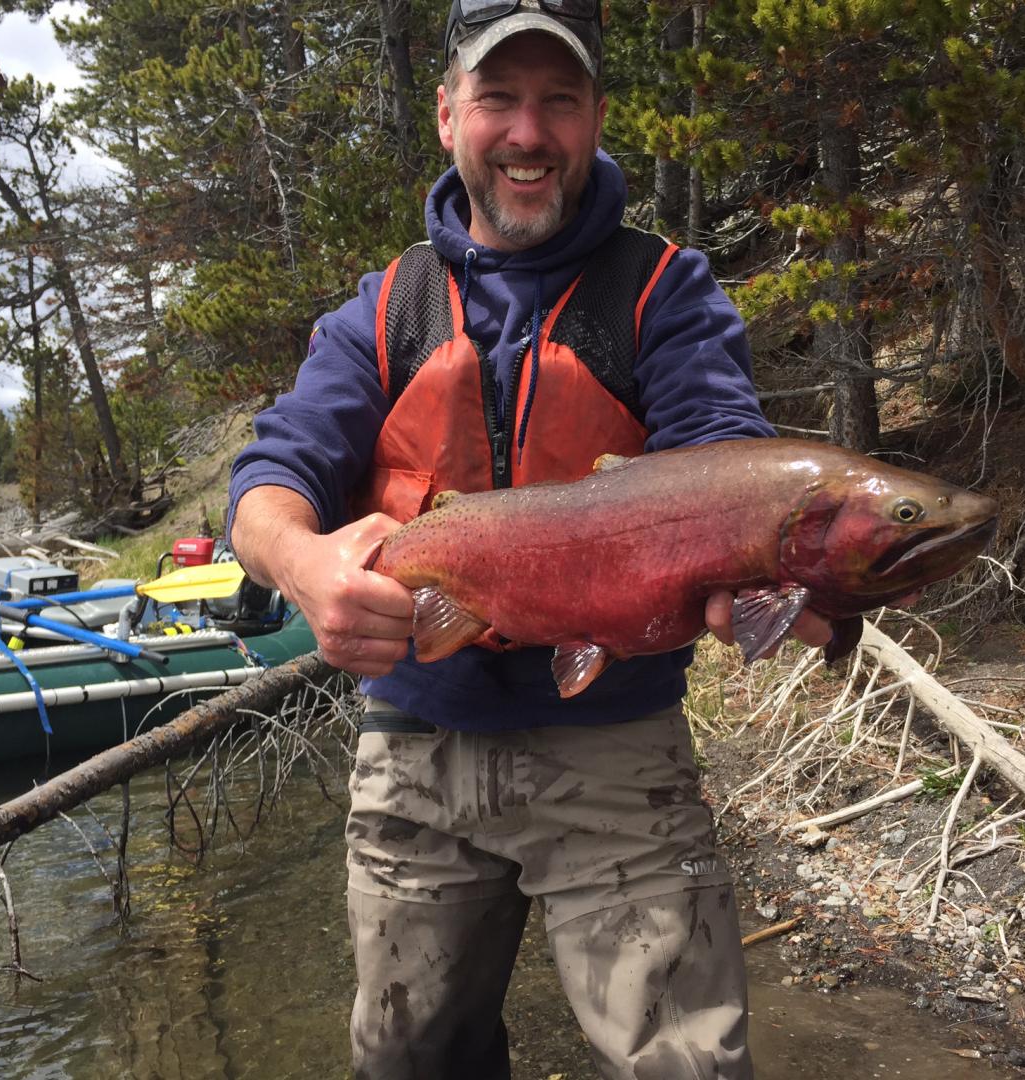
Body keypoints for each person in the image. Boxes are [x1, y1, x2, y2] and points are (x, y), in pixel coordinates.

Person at [228, 2, 831, 1075]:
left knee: (686, 1063)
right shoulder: (386, 309)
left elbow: (723, 452)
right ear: (447, 113)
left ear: (595, 117)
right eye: (499, 97)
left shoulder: (665, 292)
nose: (527, 132)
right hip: (417, 740)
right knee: (408, 1059)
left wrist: (773, 562)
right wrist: (303, 564)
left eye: (559, 100)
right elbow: (272, 478)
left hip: (616, 745)